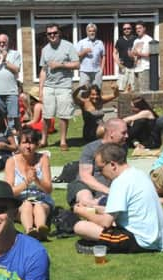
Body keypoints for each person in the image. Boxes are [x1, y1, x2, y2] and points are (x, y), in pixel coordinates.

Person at [73, 143, 163, 253]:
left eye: (100, 169)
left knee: (80, 227)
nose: (100, 174)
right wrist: (91, 208)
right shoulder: (138, 174)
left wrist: (80, 211)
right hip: (156, 237)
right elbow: (112, 212)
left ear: (113, 165)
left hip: (141, 241)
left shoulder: (120, 183)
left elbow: (105, 222)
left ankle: (104, 246)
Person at [66, 118, 129, 208]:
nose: (127, 136)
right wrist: (107, 190)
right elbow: (85, 176)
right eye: (123, 133)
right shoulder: (91, 148)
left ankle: (96, 208)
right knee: (85, 195)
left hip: (110, 187)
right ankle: (92, 206)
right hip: (87, 186)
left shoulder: (123, 148)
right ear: (111, 133)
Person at [5, 128, 54, 240]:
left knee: (38, 206)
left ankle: (41, 228)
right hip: (20, 202)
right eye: (24, 142)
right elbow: (8, 192)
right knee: (27, 204)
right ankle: (29, 230)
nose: (28, 146)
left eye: (31, 142)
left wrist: (36, 179)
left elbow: (49, 189)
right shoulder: (11, 162)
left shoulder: (43, 159)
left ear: (36, 145)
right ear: (19, 145)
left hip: (41, 200)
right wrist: (26, 182)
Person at [38, 22, 80, 150]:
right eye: (49, 33)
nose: (52, 35)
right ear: (47, 35)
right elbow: (43, 70)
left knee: (64, 115)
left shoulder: (68, 46)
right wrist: (40, 89)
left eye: (55, 33)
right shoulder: (45, 49)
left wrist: (60, 65)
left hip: (64, 85)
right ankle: (44, 140)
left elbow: (77, 64)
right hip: (49, 86)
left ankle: (63, 141)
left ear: (59, 33)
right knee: (46, 115)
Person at [75, 23, 106, 88]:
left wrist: (101, 69)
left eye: (93, 31)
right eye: (90, 31)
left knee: (97, 92)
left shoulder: (100, 42)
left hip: (97, 72)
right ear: (87, 32)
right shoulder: (81, 42)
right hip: (84, 71)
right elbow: (75, 56)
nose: (92, 33)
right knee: (84, 92)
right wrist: (84, 52)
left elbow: (103, 56)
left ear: (95, 32)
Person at [114, 22, 136, 92]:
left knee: (132, 89)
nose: (126, 30)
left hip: (134, 67)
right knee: (120, 88)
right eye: (124, 29)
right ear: (123, 30)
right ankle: (121, 103)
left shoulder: (136, 39)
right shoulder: (119, 40)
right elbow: (114, 53)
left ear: (131, 29)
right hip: (123, 67)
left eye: (128, 28)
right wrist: (118, 64)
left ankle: (132, 103)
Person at [131, 21, 153, 93]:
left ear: (144, 29)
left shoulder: (149, 39)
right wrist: (130, 54)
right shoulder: (136, 41)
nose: (138, 30)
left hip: (145, 68)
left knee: (144, 92)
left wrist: (139, 53)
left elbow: (151, 54)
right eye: (136, 28)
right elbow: (134, 54)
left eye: (140, 28)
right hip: (136, 68)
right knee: (136, 92)